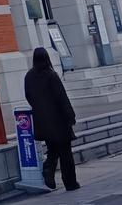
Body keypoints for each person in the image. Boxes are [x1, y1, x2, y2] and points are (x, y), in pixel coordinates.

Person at [23, 47, 79, 191]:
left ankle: (49, 171)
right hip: (59, 120)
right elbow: (62, 98)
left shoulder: (29, 76)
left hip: (42, 121)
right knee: (65, 153)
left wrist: (39, 109)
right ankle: (70, 183)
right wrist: (70, 116)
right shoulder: (51, 75)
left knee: (53, 148)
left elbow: (28, 96)